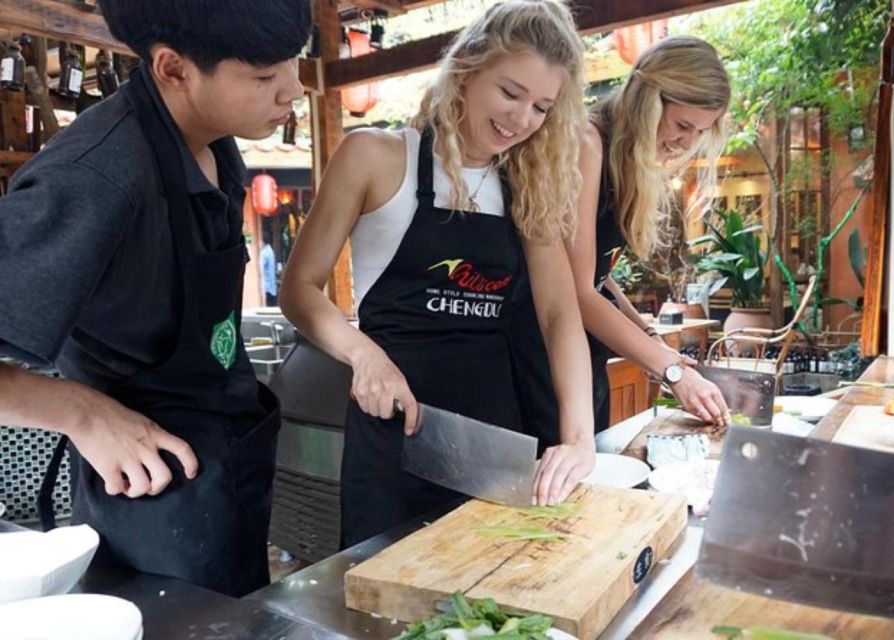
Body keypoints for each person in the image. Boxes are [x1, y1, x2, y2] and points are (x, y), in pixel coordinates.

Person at [0, 0, 309, 596]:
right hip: (148, 500)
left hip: (223, 466)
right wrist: (82, 413)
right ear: (173, 69)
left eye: (294, 63)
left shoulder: (215, 140)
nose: (292, 89)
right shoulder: (95, 176)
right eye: (265, 76)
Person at [281, 0, 596, 548]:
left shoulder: (526, 184)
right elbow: (298, 290)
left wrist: (579, 438)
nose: (522, 120)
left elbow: (559, 313)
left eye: (542, 107)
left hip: (494, 438)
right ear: (468, 68)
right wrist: (364, 355)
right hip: (393, 430)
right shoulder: (374, 156)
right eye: (510, 92)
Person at [509, 36, 732, 449]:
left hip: (583, 351)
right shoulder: (587, 143)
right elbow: (576, 292)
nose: (686, 142)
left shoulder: (625, 158)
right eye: (682, 125)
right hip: (540, 347)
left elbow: (599, 277)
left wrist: (650, 339)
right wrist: (672, 370)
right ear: (649, 98)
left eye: (699, 132)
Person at [261, 228, 278, 306]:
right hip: (270, 282)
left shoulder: (264, 252)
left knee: (269, 301)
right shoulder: (270, 251)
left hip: (267, 282)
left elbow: (261, 268)